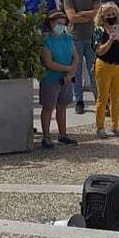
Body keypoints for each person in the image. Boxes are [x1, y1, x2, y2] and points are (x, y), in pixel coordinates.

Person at [37, 10, 77, 148]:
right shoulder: (46, 40)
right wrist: (67, 69)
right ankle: (46, 136)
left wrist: (70, 73)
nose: (61, 26)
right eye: (58, 23)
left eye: (63, 24)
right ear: (51, 23)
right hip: (50, 78)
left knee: (62, 107)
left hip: (66, 79)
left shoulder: (68, 38)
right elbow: (48, 62)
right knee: (48, 108)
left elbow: (75, 57)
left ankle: (63, 134)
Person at [63, 0, 101, 114]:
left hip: (91, 36)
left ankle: (100, 100)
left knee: (94, 70)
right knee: (76, 71)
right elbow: (72, 17)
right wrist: (89, 15)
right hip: (76, 36)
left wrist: (83, 14)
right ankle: (79, 100)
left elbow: (98, 12)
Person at [93, 2, 119, 137]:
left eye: (113, 14)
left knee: (116, 98)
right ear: (103, 16)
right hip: (104, 65)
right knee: (102, 97)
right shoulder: (99, 30)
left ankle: (115, 126)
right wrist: (110, 41)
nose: (111, 17)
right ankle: (100, 127)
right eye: (108, 15)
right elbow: (99, 51)